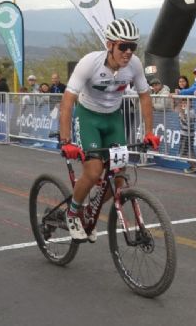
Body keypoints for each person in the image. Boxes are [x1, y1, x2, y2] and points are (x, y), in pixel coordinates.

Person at [58, 19, 160, 242]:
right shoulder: (89, 63)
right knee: (94, 171)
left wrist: (149, 132)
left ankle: (90, 209)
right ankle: (73, 211)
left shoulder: (134, 65)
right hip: (88, 117)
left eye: (133, 47)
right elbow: (67, 100)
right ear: (109, 45)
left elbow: (144, 96)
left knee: (119, 178)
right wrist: (66, 140)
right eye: (123, 46)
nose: (128, 52)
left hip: (113, 118)